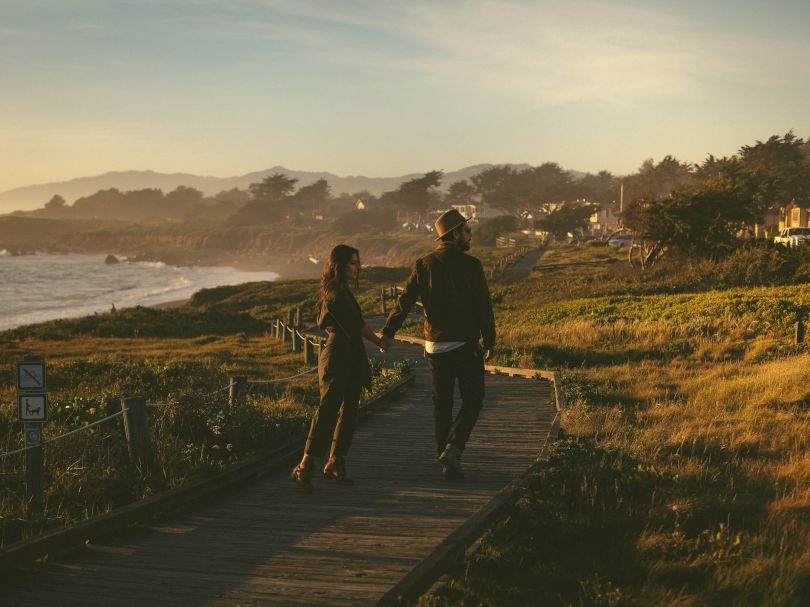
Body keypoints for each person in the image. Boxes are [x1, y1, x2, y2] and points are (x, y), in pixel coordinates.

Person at [379, 209, 495, 480]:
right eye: (467, 231)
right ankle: (453, 449)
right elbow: (483, 307)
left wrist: (388, 332)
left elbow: (404, 301)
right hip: (465, 344)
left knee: (441, 405)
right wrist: (489, 340)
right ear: (454, 234)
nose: (470, 235)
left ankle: (445, 460)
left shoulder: (423, 263)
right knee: (474, 399)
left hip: (435, 346)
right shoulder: (471, 265)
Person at [291, 244, 384, 492]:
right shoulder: (335, 294)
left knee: (349, 410)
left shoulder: (339, 292)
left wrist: (374, 339)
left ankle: (335, 461)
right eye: (353, 262)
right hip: (337, 353)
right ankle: (305, 464)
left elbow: (356, 325)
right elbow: (358, 325)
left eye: (358, 262)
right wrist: (378, 340)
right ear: (339, 265)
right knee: (329, 408)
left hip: (351, 353)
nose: (358, 267)